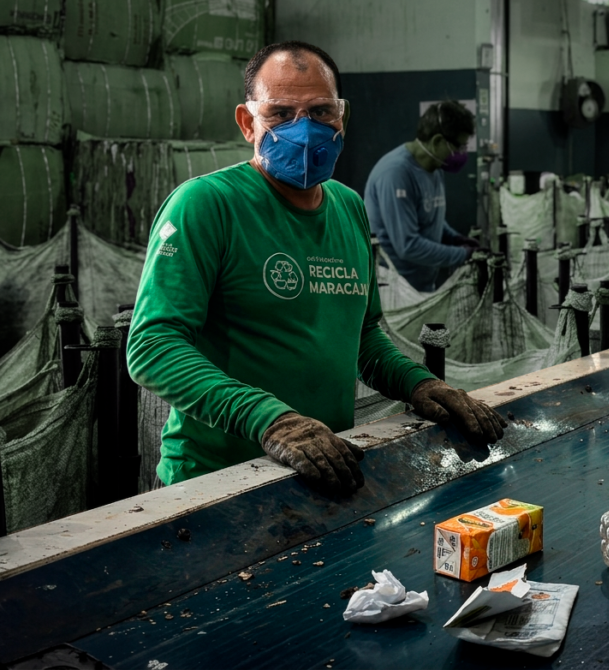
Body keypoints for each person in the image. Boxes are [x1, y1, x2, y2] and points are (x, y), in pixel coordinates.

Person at [127, 41, 504, 495]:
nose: (304, 129)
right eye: (281, 113)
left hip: (321, 468)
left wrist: (419, 384)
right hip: (213, 484)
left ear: (342, 118)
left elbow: (362, 337)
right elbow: (153, 346)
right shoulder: (206, 205)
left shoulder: (348, 207)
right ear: (247, 122)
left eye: (321, 111)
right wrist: (268, 419)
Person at [363, 101, 480, 292]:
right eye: (458, 146)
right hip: (393, 290)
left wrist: (455, 239)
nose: (462, 153)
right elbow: (407, 245)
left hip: (421, 285)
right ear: (437, 141)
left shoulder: (435, 167)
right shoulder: (396, 173)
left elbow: (430, 217)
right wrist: (462, 255)